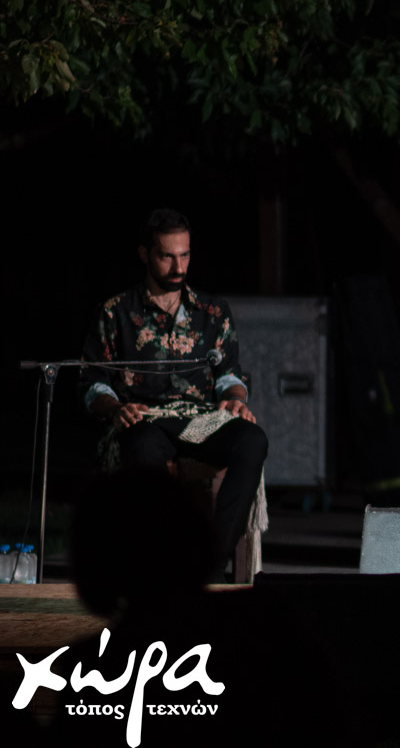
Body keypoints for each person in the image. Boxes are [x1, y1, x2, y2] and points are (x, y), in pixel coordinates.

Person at [81, 208, 269, 574]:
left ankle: (211, 567)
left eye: (185, 255)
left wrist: (235, 399)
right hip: (145, 419)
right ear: (145, 254)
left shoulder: (213, 311)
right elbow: (92, 383)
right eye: (167, 256)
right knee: (142, 447)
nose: (178, 267)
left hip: (199, 420)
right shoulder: (115, 312)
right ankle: (159, 565)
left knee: (252, 440)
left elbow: (229, 375)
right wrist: (115, 408)